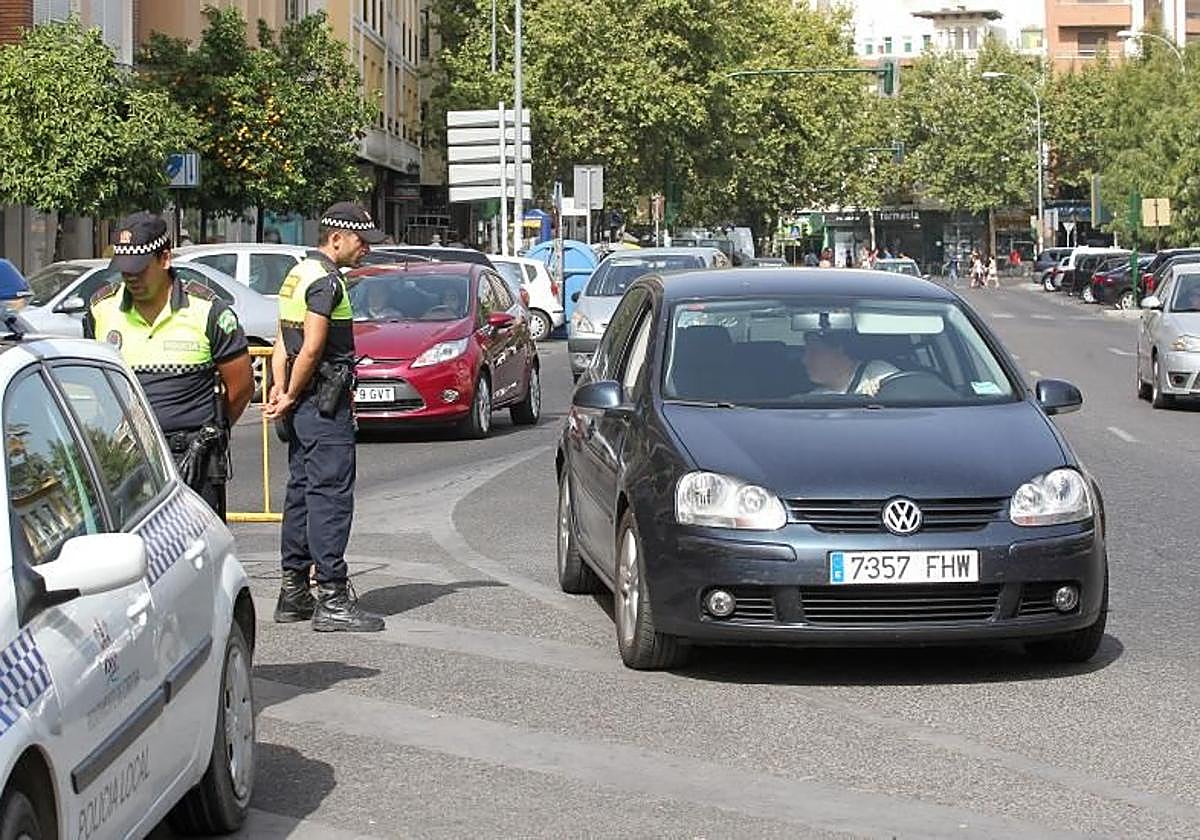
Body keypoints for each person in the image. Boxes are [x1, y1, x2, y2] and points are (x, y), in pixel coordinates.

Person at [264, 202, 386, 633]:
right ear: (336, 237)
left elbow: (282, 340)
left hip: (302, 405)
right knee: (329, 499)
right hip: (323, 404)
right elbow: (313, 347)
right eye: (360, 240)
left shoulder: (298, 274)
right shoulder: (327, 283)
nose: (366, 248)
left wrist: (281, 390)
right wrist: (293, 392)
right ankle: (332, 597)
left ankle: (293, 591)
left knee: (300, 493)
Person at [83, 212, 253, 520]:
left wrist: (210, 433)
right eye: (124, 270)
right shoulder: (100, 309)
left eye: (139, 269)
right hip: (125, 460)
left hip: (192, 459)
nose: (130, 278)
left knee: (198, 553)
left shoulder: (208, 311)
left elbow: (240, 388)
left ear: (164, 259)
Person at [802, 330, 898, 397]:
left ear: (839, 349)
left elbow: (903, 390)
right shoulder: (814, 401)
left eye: (814, 352)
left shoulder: (876, 371)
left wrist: (882, 389)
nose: (805, 360)